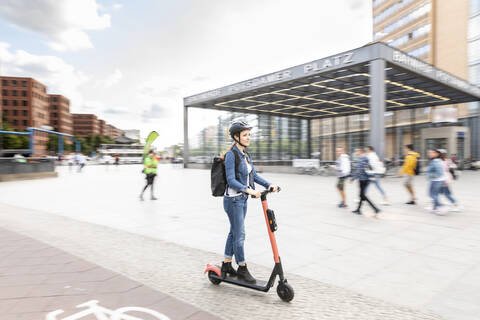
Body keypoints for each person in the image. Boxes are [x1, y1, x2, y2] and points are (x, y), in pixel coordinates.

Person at [221, 120, 279, 284]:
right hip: (233, 200)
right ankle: (242, 268)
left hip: (243, 199)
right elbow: (231, 181)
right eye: (245, 135)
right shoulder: (231, 155)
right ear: (236, 136)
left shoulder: (245, 155)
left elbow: (254, 176)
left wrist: (269, 185)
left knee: (234, 232)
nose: (248, 137)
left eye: (249, 134)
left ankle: (226, 264)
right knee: (240, 235)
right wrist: (250, 190)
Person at [350, 148, 380, 216]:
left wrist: (353, 178)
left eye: (356, 151)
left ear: (360, 151)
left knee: (362, 195)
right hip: (365, 179)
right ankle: (358, 210)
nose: (356, 152)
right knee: (361, 195)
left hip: (362, 179)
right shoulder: (365, 158)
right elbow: (368, 167)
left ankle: (375, 209)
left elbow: (359, 170)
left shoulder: (361, 159)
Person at [426, 149, 446, 214]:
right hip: (439, 180)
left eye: (432, 153)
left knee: (431, 194)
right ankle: (434, 209)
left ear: (436, 154)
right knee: (435, 195)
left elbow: (439, 172)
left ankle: (441, 206)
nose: (430, 154)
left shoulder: (435, 161)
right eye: (429, 153)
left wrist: (430, 176)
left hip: (436, 180)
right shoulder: (437, 160)